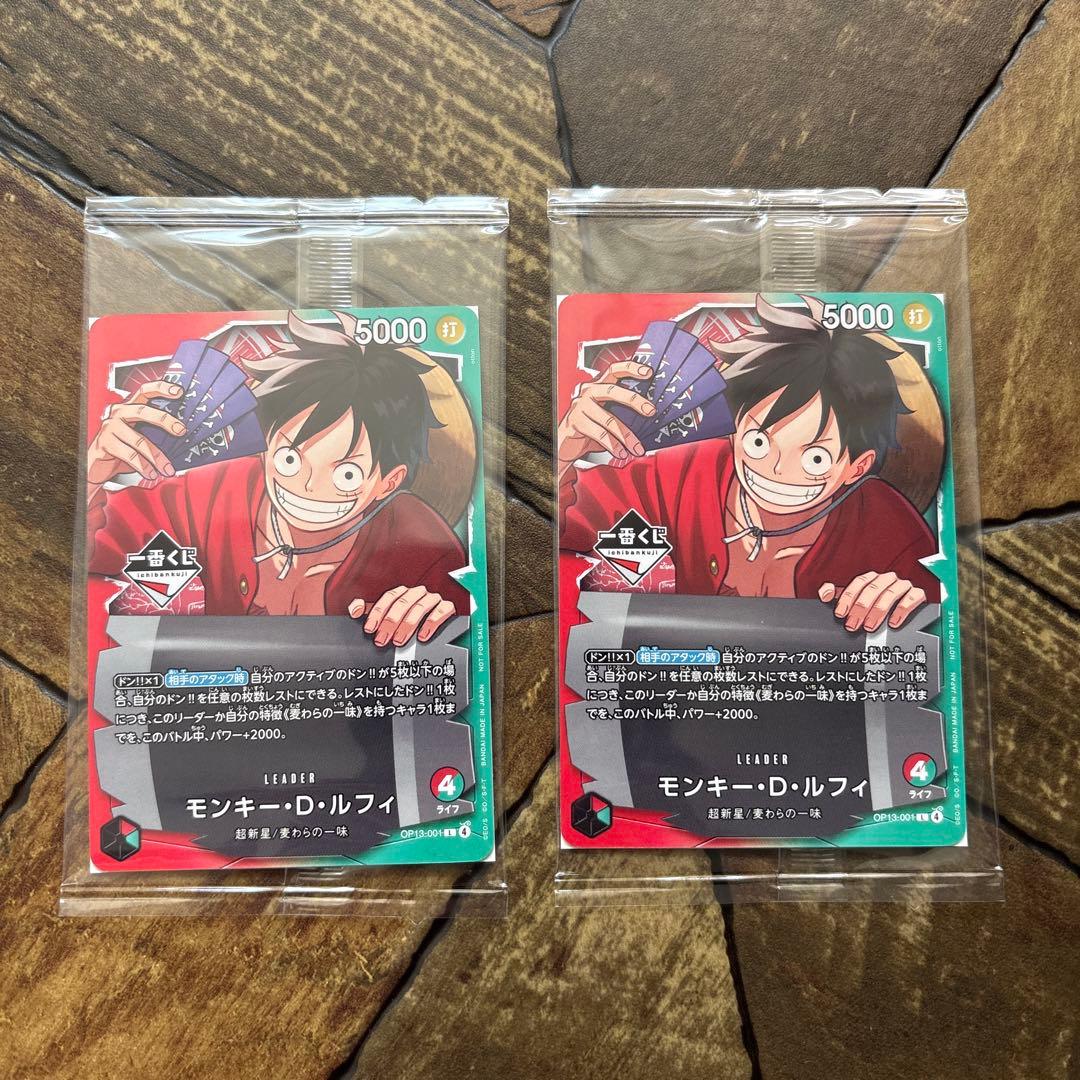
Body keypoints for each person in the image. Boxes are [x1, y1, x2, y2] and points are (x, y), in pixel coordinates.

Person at [558, 294, 939, 633]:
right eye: (758, 442)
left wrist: (906, 602)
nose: (775, 469)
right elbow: (561, 528)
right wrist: (563, 453)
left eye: (815, 458)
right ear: (734, 428)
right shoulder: (681, 475)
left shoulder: (889, 529)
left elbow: (934, 619)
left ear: (857, 467)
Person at [87, 311, 468, 646]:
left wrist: (438, 616)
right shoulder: (213, 493)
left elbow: (460, 640)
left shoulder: (423, 551)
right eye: (289, 459)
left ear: (389, 481)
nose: (306, 485)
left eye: (347, 474)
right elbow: (95, 549)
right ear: (265, 445)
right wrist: (92, 475)